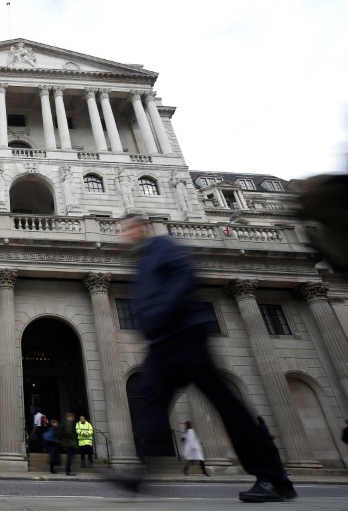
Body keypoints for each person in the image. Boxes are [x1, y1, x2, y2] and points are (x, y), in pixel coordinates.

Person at [120, 213, 296, 502]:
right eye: (121, 230)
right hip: (162, 343)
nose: (123, 234)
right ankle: (138, 474)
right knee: (150, 403)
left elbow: (183, 277)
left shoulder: (163, 247)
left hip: (185, 336)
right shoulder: (142, 261)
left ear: (142, 228)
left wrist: (160, 315)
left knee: (226, 405)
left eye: (127, 228)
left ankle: (273, 478)